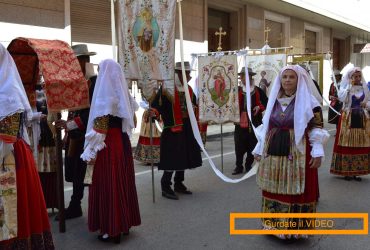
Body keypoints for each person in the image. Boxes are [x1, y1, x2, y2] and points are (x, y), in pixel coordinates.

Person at [253, 65, 329, 240]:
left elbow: (316, 127)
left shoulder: (310, 101)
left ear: (299, 80)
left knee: (294, 188)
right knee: (274, 186)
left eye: (291, 77)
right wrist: (258, 148)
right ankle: (273, 225)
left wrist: (317, 151)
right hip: (273, 150)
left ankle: (293, 228)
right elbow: (266, 127)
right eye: (284, 76)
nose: (287, 80)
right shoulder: (273, 100)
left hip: (297, 150)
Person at [0, 43, 54, 249]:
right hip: (11, 153)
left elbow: (7, 138)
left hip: (9, 158)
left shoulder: (9, 92)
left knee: (15, 213)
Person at [81, 59, 141, 243]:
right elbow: (131, 119)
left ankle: (111, 229)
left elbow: (100, 127)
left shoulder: (105, 94)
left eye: (100, 69)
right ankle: (124, 223)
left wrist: (89, 150)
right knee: (121, 181)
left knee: (108, 184)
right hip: (121, 142)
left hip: (107, 144)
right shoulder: (123, 93)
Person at [55, 44, 97, 220]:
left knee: (86, 174)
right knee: (77, 173)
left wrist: (70, 125)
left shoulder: (94, 83)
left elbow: (90, 114)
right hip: (75, 135)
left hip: (89, 135)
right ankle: (75, 204)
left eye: (75, 61)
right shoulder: (79, 82)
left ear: (84, 61)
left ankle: (80, 205)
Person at [150, 61, 202, 200]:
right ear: (178, 74)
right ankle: (165, 185)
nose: (189, 75)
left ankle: (179, 183)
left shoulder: (189, 89)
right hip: (172, 128)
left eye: (188, 73)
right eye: (186, 73)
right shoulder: (167, 89)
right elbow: (156, 105)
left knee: (184, 155)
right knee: (172, 157)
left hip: (187, 127)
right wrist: (154, 111)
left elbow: (195, 104)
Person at [330, 66, 370, 181]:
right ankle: (346, 171)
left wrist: (366, 105)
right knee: (347, 143)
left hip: (362, 117)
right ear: (350, 77)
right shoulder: (345, 87)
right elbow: (342, 99)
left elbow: (368, 100)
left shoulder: (365, 88)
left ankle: (357, 171)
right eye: (354, 76)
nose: (357, 78)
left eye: (358, 76)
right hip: (348, 118)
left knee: (360, 144)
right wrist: (348, 87)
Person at [232, 67, 267, 175]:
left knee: (253, 144)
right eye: (243, 76)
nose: (245, 79)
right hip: (240, 121)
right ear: (240, 78)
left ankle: (248, 165)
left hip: (255, 121)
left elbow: (266, 102)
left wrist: (259, 107)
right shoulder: (236, 90)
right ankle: (238, 166)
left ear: (251, 77)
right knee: (239, 144)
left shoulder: (257, 90)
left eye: (247, 76)